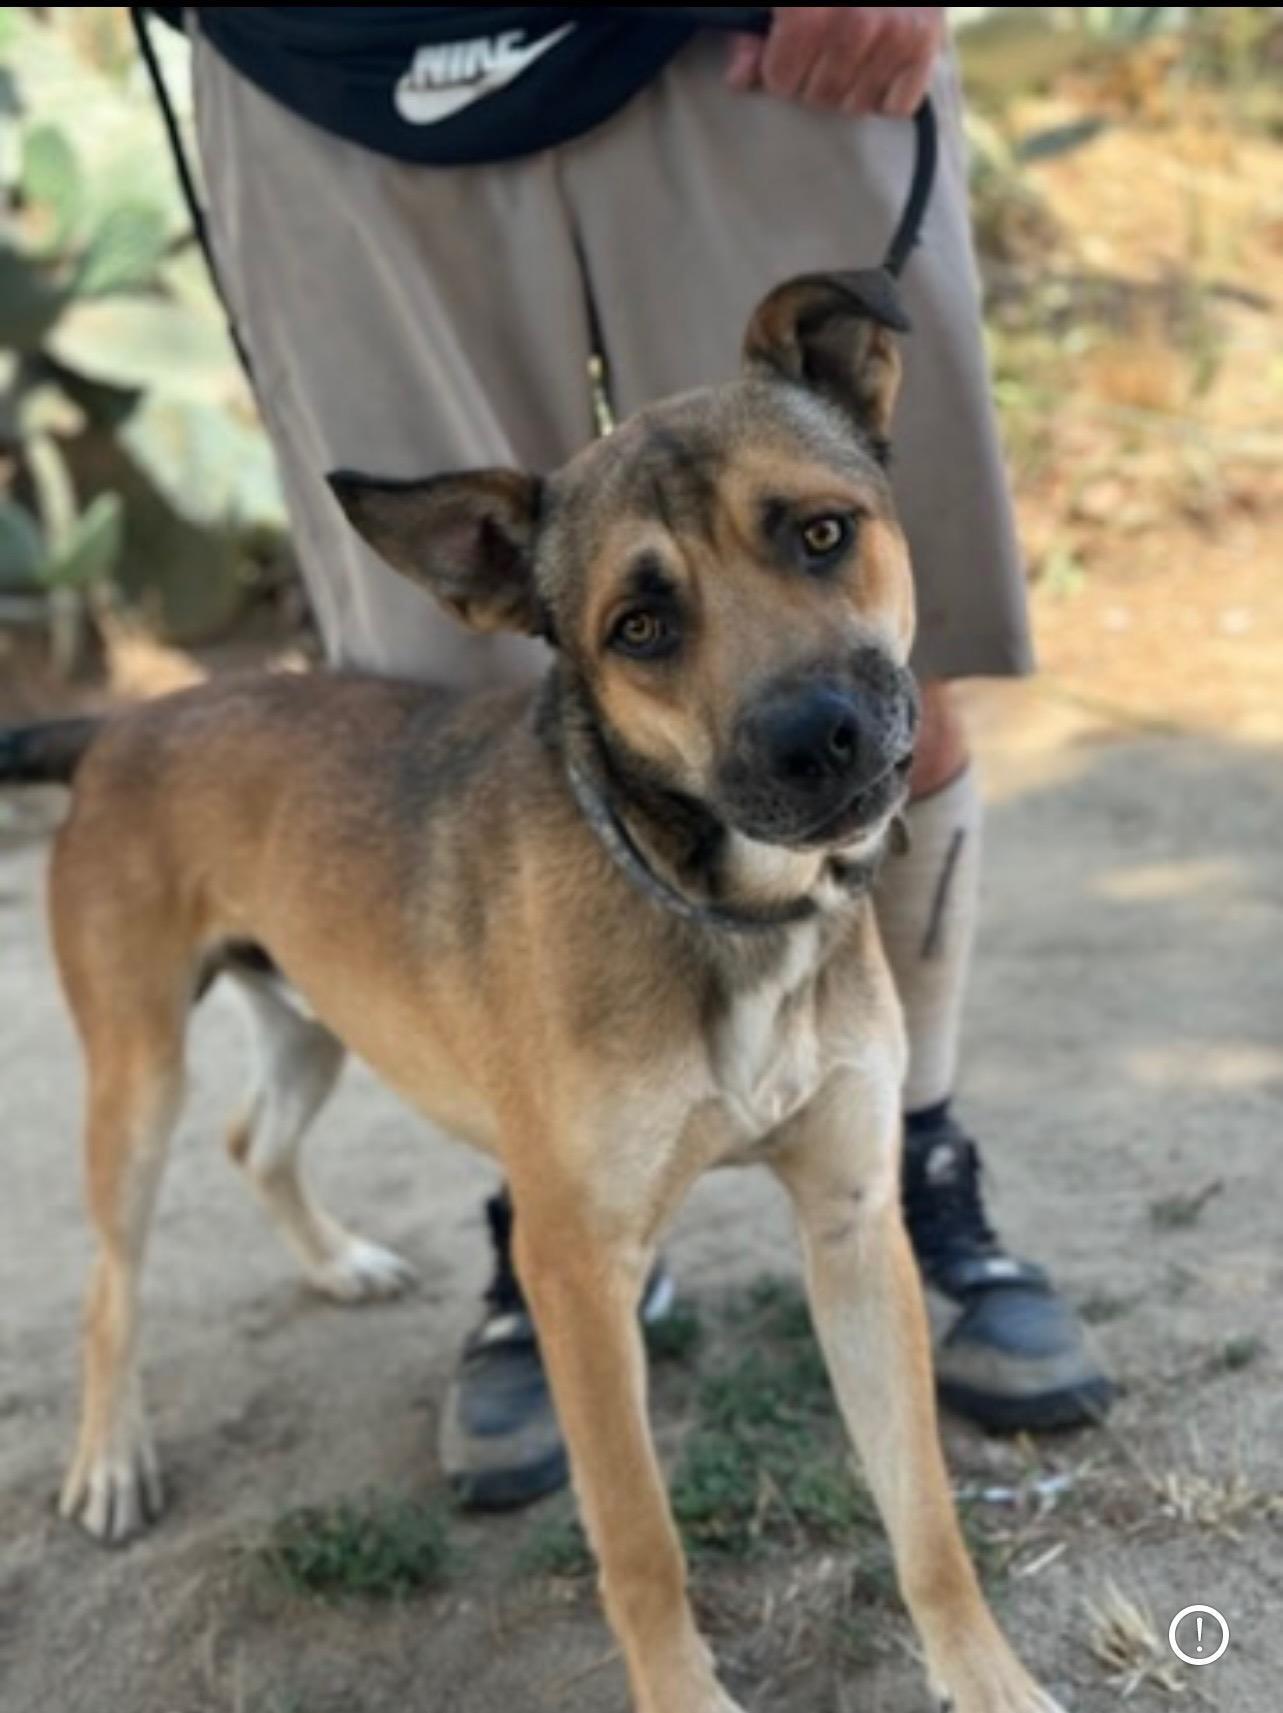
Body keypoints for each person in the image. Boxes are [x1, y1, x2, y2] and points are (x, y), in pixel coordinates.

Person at [153, 4, 1113, 1509]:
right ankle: (558, 1215)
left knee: (876, 635)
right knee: (435, 714)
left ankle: (909, 1157)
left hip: (745, 35)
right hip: (324, 63)